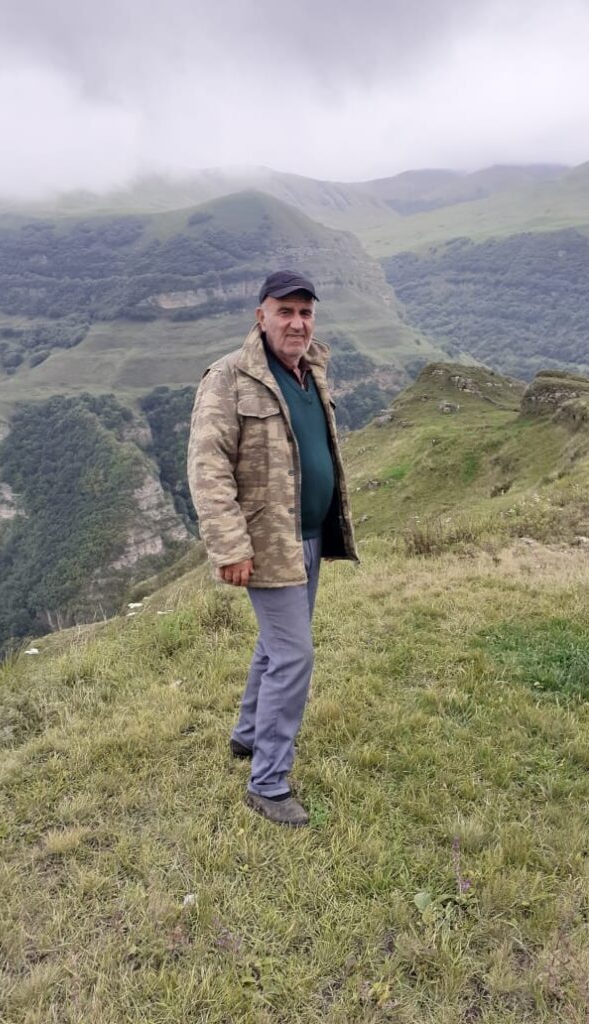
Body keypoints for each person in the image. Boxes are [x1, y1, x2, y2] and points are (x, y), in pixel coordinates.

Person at [187, 270, 358, 827]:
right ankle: (268, 783)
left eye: (305, 312)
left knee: (276, 643)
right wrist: (229, 547)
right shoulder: (228, 378)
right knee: (294, 655)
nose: (297, 323)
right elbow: (208, 468)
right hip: (265, 544)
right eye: (285, 311)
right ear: (260, 316)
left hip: (308, 536)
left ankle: (247, 735)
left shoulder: (312, 371)